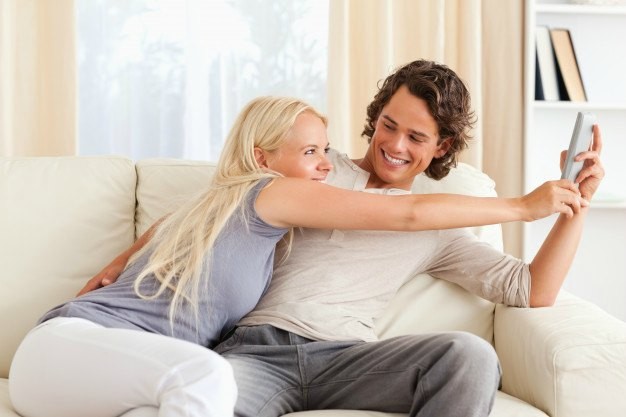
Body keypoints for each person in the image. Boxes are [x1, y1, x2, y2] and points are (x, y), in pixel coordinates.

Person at [64, 59, 599, 417]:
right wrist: (122, 260)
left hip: (348, 360)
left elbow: (533, 290)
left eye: (416, 137)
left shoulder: (438, 223)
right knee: (193, 398)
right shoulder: (312, 166)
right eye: (388, 124)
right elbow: (210, 209)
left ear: (441, 147)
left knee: (470, 356)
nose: (394, 144)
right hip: (255, 351)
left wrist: (575, 207)